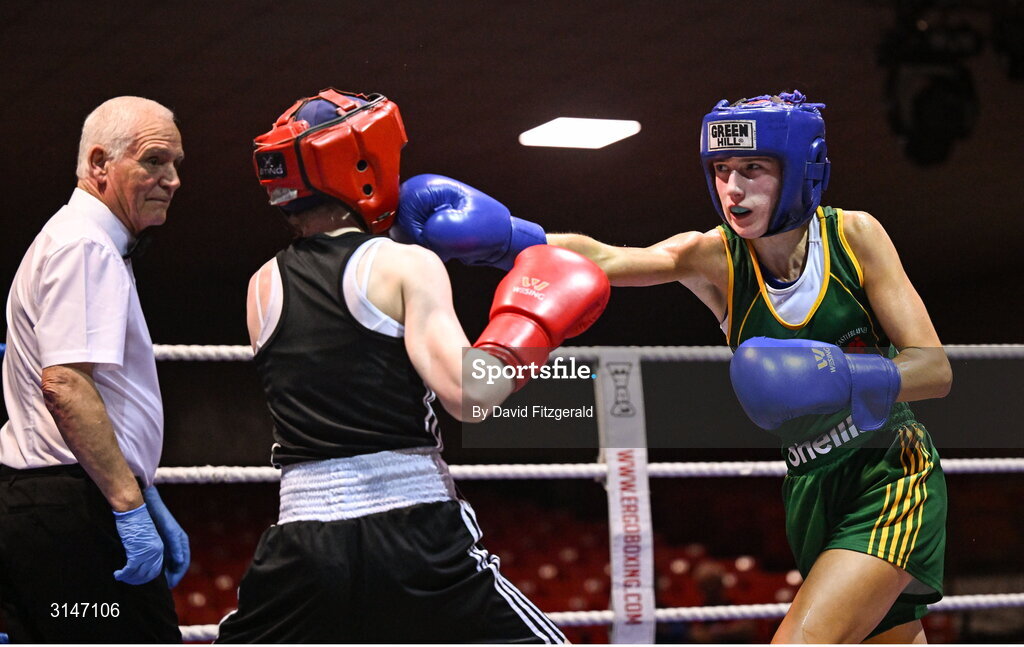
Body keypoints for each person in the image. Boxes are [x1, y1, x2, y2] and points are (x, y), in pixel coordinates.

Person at [398, 90, 951, 643]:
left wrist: (849, 377)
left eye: (752, 169)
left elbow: (935, 369)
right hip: (810, 484)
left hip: (890, 473)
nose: (732, 190)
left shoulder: (854, 236)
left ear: (800, 170)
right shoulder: (715, 256)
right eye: (720, 170)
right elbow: (612, 259)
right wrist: (506, 241)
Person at [215, 88, 609, 643]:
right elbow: (468, 393)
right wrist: (532, 326)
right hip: (411, 527)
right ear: (363, 161)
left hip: (302, 537)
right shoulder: (407, 264)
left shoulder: (260, 286)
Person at [0, 96, 189, 642]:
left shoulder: (86, 240)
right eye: (155, 161)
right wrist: (129, 505)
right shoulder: (86, 245)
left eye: (176, 163)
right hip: (74, 513)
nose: (172, 179)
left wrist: (141, 490)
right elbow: (64, 384)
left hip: (55, 507)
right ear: (100, 165)